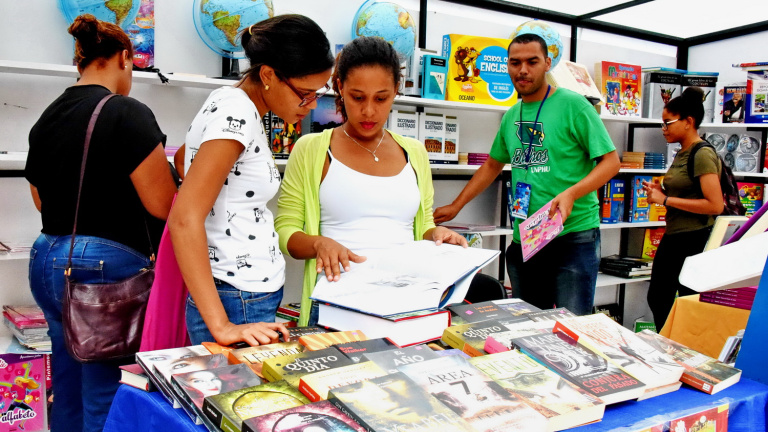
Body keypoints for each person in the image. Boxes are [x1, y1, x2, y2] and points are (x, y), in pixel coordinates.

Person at [25, 14, 177, 432]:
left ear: (81, 62)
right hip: (104, 269)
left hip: (47, 258)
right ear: (125, 58)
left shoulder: (47, 118)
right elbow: (163, 204)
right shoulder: (127, 112)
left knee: (69, 380)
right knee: (106, 390)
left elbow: (41, 198)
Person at [274, 37, 467, 326]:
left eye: (381, 98)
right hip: (336, 304)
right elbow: (285, 231)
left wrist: (438, 235)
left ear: (395, 92)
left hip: (407, 304)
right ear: (339, 87)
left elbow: (423, 224)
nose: (368, 111)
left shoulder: (414, 152)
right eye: (357, 96)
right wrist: (319, 244)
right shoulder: (312, 148)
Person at [168, 14, 334, 346]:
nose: (312, 105)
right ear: (268, 75)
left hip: (243, 292)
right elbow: (184, 219)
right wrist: (222, 326)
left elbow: (182, 159)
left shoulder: (229, 102)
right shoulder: (238, 116)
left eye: (318, 93)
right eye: (305, 93)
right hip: (236, 298)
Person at [434, 31, 620, 316]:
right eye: (515, 62)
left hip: (573, 237)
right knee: (530, 325)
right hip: (527, 239)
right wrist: (457, 205)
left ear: (547, 63)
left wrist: (571, 193)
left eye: (532, 61)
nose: (522, 70)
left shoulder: (575, 106)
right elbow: (492, 165)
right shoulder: (511, 115)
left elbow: (611, 162)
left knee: (573, 326)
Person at [642, 87, 724, 330]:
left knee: (680, 300)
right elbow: (687, 191)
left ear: (688, 122)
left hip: (693, 238)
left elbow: (715, 204)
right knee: (659, 298)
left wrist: (665, 200)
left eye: (668, 123)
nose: (664, 129)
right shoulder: (682, 152)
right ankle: (671, 347)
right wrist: (661, 193)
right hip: (676, 235)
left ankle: (679, 351)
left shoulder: (702, 154)